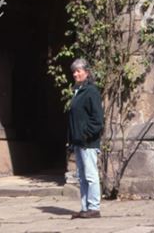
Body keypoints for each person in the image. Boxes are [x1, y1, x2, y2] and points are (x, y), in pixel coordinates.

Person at [67, 57, 104, 220]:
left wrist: (85, 135)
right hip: (78, 142)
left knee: (90, 175)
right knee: (81, 177)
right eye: (74, 71)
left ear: (86, 73)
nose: (75, 74)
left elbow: (98, 120)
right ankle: (85, 207)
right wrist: (72, 139)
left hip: (88, 142)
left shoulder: (91, 92)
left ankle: (94, 207)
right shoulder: (78, 91)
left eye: (78, 71)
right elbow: (74, 119)